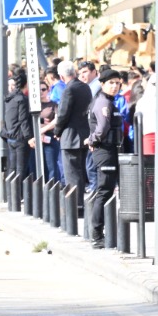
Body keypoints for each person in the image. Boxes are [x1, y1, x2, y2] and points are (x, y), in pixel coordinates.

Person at [86, 69, 124, 249]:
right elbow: (101, 128)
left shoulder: (108, 101)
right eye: (111, 83)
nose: (115, 86)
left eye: (117, 83)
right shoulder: (103, 102)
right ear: (102, 84)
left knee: (107, 192)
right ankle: (97, 235)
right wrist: (92, 140)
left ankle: (100, 232)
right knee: (104, 191)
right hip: (105, 151)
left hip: (110, 150)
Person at [48, 61, 92, 213]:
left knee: (71, 173)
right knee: (79, 171)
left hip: (70, 136)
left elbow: (63, 114)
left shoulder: (69, 89)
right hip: (83, 135)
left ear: (61, 76)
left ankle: (76, 206)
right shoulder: (85, 87)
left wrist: (57, 132)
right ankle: (78, 204)